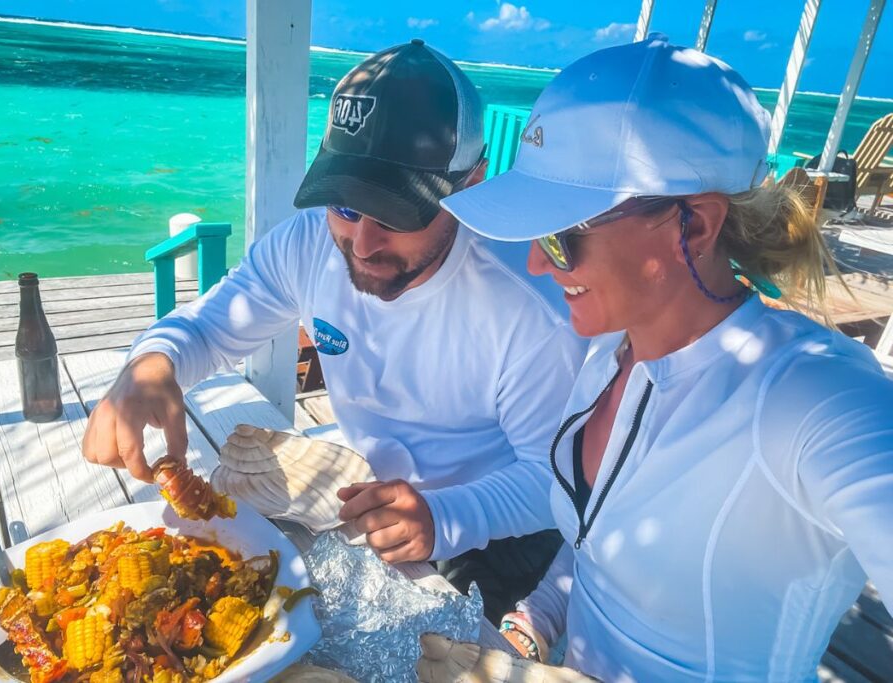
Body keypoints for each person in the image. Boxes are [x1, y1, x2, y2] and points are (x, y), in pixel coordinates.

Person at [433, 34, 893, 682]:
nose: (537, 262)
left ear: (696, 226)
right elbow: (599, 545)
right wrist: (533, 622)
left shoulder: (810, 396)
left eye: (562, 235)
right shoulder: (608, 353)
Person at [81, 39, 587, 622]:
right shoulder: (307, 244)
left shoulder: (529, 306)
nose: (363, 244)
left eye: (398, 214)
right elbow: (212, 327)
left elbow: (559, 481)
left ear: (470, 186)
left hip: (498, 536)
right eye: (345, 206)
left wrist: (444, 517)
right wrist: (151, 364)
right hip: (372, 502)